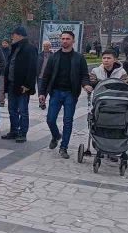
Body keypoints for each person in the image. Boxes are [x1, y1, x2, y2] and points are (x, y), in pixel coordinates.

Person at [38, 31, 93, 159]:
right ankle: (56, 135)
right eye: (62, 38)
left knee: (67, 121)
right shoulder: (54, 57)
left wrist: (86, 85)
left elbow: (84, 75)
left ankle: (64, 147)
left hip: (71, 94)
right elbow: (45, 77)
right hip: (56, 92)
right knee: (50, 119)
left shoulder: (79, 58)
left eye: (67, 39)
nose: (64, 41)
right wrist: (42, 93)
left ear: (73, 41)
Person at [2, 27, 37, 143]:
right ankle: (14, 131)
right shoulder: (14, 48)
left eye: (14, 35)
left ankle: (22, 133)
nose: (12, 37)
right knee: (12, 109)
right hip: (12, 84)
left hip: (22, 86)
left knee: (22, 110)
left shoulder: (30, 48)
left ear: (20, 35)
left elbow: (32, 68)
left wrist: (27, 85)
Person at [0, 40, 11, 107]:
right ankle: (1, 101)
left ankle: (11, 101)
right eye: (3, 43)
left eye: (6, 43)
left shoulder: (11, 52)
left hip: (9, 73)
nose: (5, 44)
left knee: (10, 87)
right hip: (1, 72)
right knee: (1, 87)